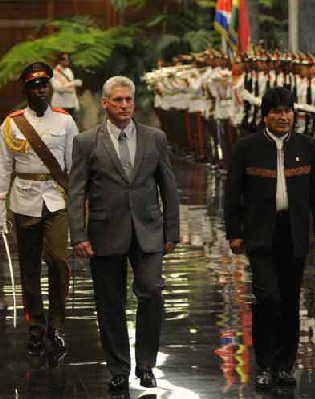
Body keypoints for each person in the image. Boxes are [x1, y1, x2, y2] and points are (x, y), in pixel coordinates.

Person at [68, 76, 180, 394]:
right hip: (104, 232)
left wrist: (172, 230)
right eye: (117, 100)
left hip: (149, 230)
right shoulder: (87, 142)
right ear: (105, 103)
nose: (124, 105)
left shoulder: (154, 138)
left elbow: (168, 186)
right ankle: (118, 368)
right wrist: (78, 234)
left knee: (152, 291)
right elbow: (77, 191)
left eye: (128, 99)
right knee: (109, 303)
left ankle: (146, 365)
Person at [224, 87, 315, 389]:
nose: (283, 118)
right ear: (265, 115)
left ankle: (285, 365)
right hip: (260, 233)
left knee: (289, 301)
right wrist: (234, 233)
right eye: (277, 112)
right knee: (267, 297)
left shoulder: (306, 146)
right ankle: (266, 365)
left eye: (287, 112)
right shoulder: (248, 147)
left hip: (293, 232)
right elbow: (233, 194)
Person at [0, 62, 78, 357]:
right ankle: (36, 327)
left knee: (59, 260)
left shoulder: (66, 121)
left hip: (56, 200)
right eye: (34, 86)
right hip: (24, 201)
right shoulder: (11, 124)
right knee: (29, 268)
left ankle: (56, 325)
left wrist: (79, 202)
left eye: (44, 84)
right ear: (26, 90)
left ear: (50, 87)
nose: (41, 89)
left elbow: (74, 164)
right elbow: (3, 168)